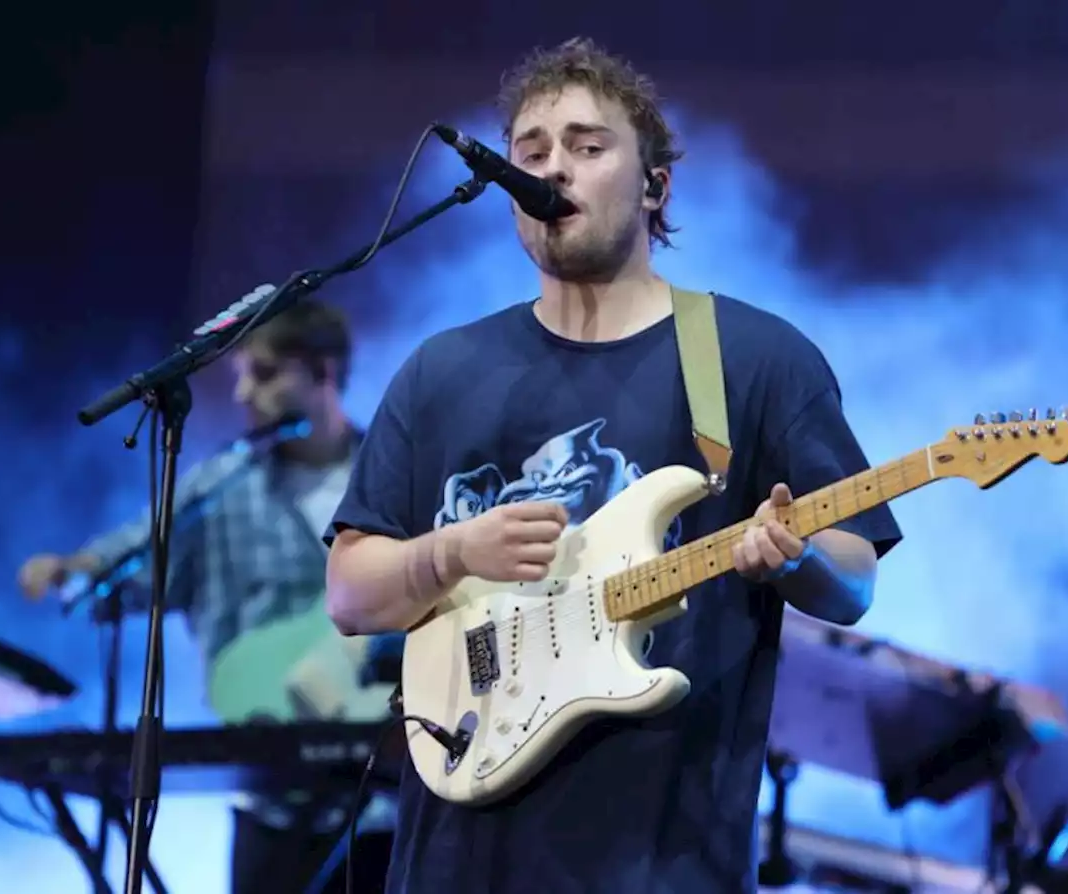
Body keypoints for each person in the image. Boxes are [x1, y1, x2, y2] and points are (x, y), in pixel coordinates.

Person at [323, 38, 903, 894]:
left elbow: (852, 583)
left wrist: (800, 559)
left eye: (588, 147)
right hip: (455, 858)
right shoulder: (440, 372)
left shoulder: (753, 359)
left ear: (654, 185)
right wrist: (448, 554)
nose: (553, 168)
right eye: (531, 152)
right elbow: (349, 594)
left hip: (666, 862)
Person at [16, 300, 396, 894]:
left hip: (387, 795)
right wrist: (75, 569)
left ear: (324, 372)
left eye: (266, 373)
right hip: (269, 792)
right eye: (242, 374)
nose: (244, 393)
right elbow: (133, 557)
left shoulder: (392, 475)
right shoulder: (219, 487)